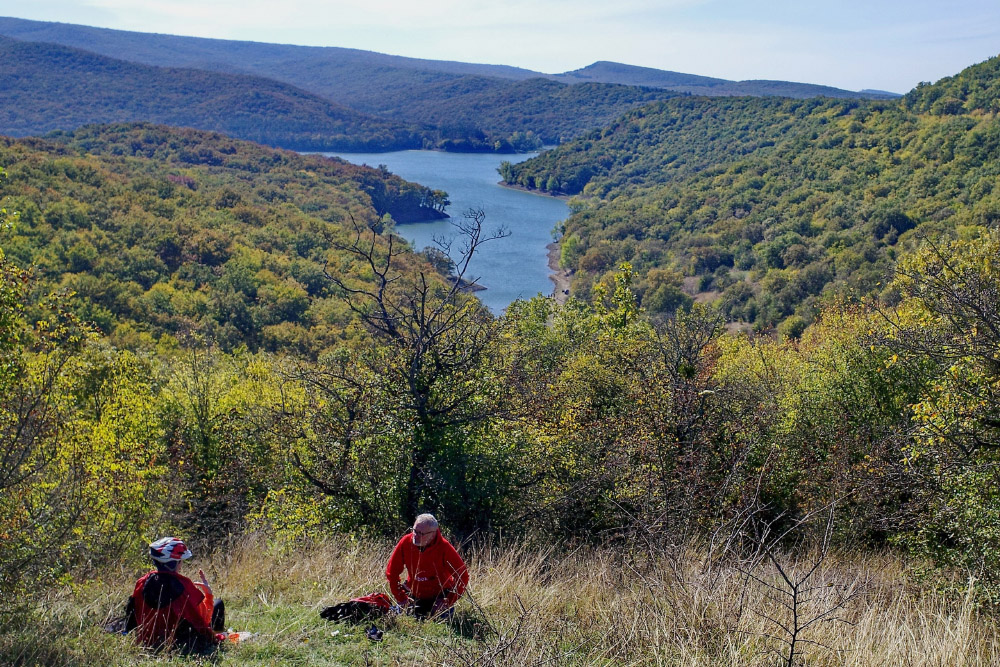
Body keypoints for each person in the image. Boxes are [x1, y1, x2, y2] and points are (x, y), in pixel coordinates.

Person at [124, 537, 225, 651]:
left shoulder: (141, 582)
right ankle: (218, 637)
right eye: (180, 561)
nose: (181, 564)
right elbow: (203, 619)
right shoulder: (184, 585)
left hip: (146, 641)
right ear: (174, 563)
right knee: (218, 604)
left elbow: (133, 613)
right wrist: (208, 594)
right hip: (180, 644)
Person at [385, 513, 469, 619]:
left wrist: (448, 601)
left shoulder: (444, 547)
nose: (416, 535)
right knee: (401, 618)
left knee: (442, 620)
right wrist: (401, 597)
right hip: (413, 594)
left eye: (421, 533)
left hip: (440, 596)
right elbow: (392, 572)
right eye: (415, 530)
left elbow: (463, 575)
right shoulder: (405, 542)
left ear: (433, 534)